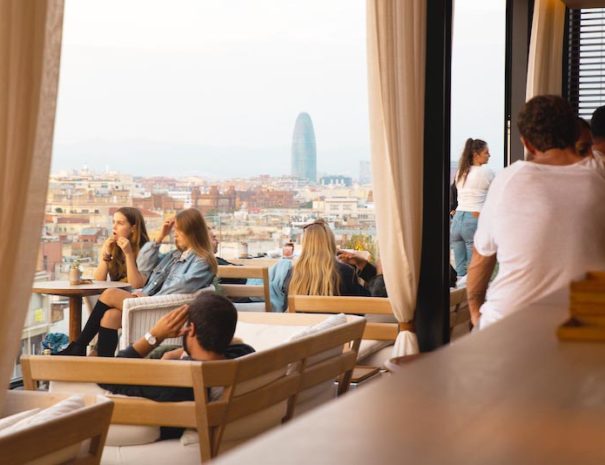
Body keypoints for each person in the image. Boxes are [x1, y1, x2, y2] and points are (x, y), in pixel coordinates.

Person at [467, 95, 605, 329]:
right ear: (577, 134)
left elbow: (481, 261)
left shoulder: (507, 181)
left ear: (527, 144)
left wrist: (475, 313)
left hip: (507, 323)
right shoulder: (599, 181)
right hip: (584, 328)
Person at [59, 208, 217, 357]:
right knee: (110, 316)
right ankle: (104, 366)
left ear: (192, 232)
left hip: (161, 309)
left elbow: (182, 285)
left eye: (179, 231)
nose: (175, 235)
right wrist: (160, 237)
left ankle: (78, 346)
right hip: (152, 303)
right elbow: (145, 264)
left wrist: (145, 296)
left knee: (109, 294)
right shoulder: (175, 255)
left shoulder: (202, 261)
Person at [98, 294, 254, 438]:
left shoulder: (180, 379)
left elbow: (105, 375)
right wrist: (178, 353)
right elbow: (229, 344)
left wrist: (154, 336)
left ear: (191, 330)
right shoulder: (244, 355)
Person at [283, 220, 369, 309]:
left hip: (302, 322)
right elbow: (367, 306)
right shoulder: (344, 273)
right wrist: (363, 266)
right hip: (337, 323)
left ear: (305, 245)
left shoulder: (292, 274)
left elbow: (286, 308)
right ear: (331, 243)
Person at [450, 138, 495, 280]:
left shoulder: (460, 172)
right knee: (474, 270)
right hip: (473, 219)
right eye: (486, 152)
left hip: (457, 221)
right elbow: (496, 194)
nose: (489, 155)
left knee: (460, 271)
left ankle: (459, 299)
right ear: (476, 154)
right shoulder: (486, 172)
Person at [93, 207, 150, 288]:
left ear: (133, 228)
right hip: (113, 294)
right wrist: (106, 255)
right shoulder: (112, 246)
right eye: (113, 222)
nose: (114, 227)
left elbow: (136, 285)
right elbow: (98, 281)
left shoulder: (146, 250)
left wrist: (128, 254)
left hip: (135, 297)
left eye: (120, 223)